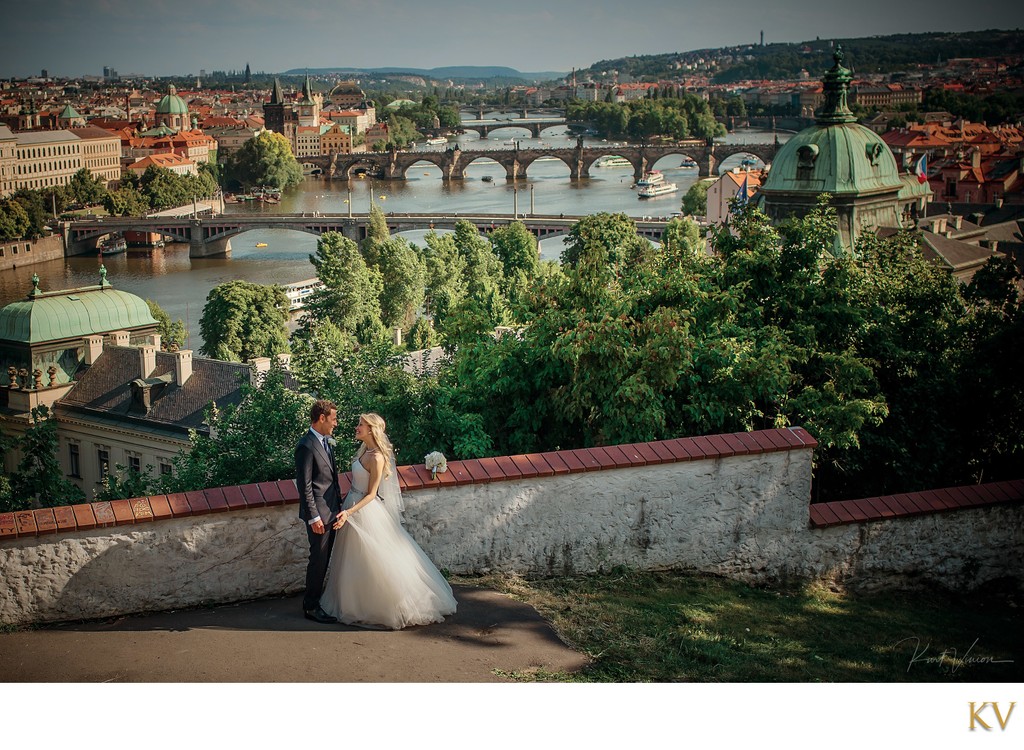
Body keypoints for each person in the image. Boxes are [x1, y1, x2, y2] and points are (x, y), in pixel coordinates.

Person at [320, 413, 457, 630]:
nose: (357, 427)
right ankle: (355, 602)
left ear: (372, 429)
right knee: (355, 561)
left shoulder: (377, 457)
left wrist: (349, 513)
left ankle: (382, 606)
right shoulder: (365, 450)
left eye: (361, 425)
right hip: (352, 503)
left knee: (375, 559)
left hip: (364, 510)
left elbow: (372, 494)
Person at [295, 399, 342, 624]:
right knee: (318, 561)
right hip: (319, 516)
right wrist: (314, 516)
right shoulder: (306, 445)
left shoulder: (325, 442)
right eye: (333, 418)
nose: (336, 423)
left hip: (332, 512)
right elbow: (304, 486)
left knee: (325, 560)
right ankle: (311, 606)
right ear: (321, 418)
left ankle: (318, 601)